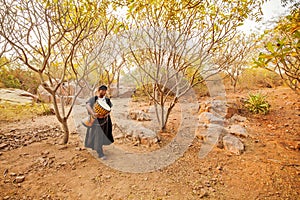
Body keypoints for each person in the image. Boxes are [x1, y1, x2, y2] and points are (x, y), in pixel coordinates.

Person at [84, 85, 114, 160]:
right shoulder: (94, 99)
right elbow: (87, 105)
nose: (103, 92)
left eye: (105, 91)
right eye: (102, 90)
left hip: (105, 121)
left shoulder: (107, 100)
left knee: (103, 135)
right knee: (98, 135)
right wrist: (93, 113)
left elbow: (109, 109)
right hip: (96, 121)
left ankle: (97, 147)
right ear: (98, 90)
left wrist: (106, 114)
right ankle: (100, 153)